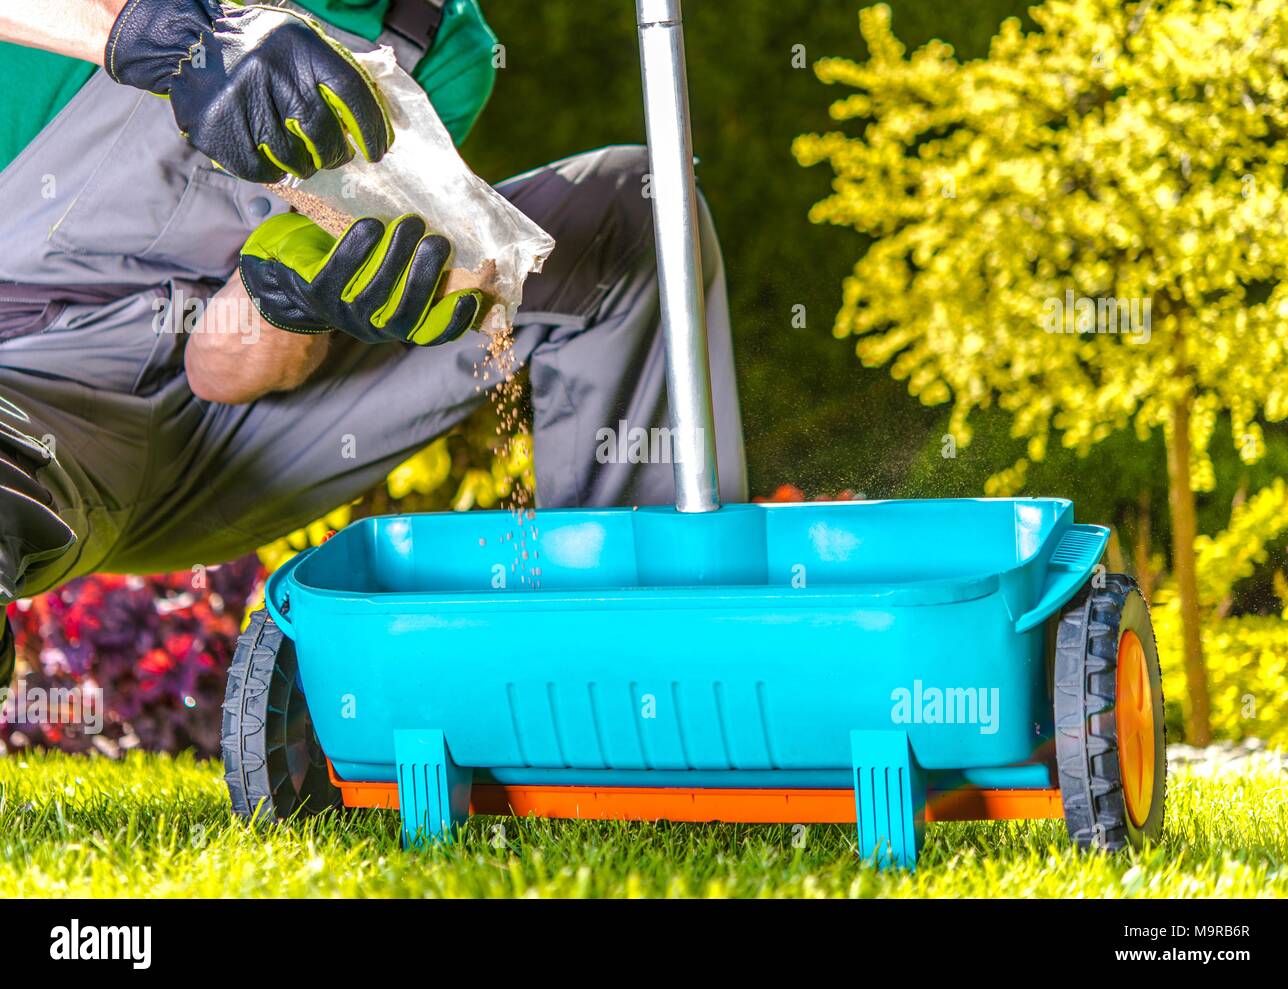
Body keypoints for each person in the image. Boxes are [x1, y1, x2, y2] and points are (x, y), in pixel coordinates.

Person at [0, 0, 748, 686]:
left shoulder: (438, 45)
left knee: (627, 214)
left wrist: (285, 300)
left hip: (215, 435)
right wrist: (158, 34)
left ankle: (637, 667)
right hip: (22, 377)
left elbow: (219, 367)